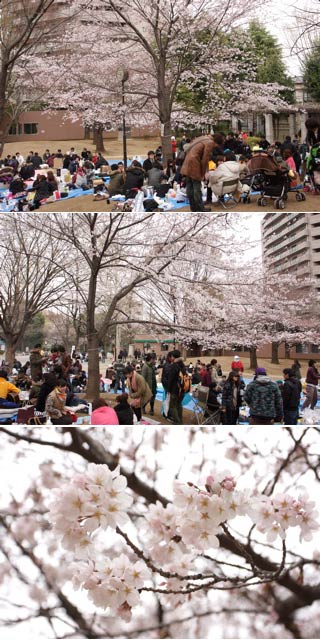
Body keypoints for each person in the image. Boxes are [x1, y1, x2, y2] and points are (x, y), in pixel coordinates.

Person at [181, 133, 224, 211]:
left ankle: (193, 207)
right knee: (196, 187)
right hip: (195, 163)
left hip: (187, 161)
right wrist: (202, 173)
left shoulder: (203, 138)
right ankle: (200, 208)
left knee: (190, 186)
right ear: (216, 142)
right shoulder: (210, 143)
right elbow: (205, 159)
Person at [166, 349, 188, 424]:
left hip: (175, 390)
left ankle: (177, 421)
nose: (171, 357)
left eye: (172, 356)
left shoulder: (174, 365)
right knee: (179, 405)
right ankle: (180, 420)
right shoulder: (183, 365)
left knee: (172, 406)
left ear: (174, 357)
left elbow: (171, 379)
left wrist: (168, 389)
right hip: (182, 389)